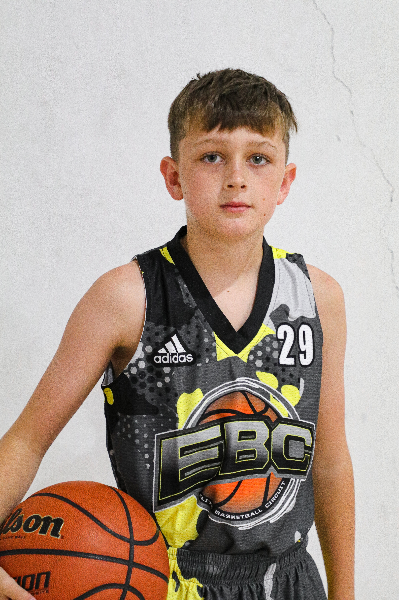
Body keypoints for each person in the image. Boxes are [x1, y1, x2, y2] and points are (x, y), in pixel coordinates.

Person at [0, 69, 355, 600]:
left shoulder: (315, 297)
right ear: (174, 177)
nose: (236, 177)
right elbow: (27, 440)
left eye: (258, 158)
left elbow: (329, 461)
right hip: (165, 580)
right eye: (212, 156)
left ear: (284, 182)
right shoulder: (128, 297)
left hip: (288, 582)